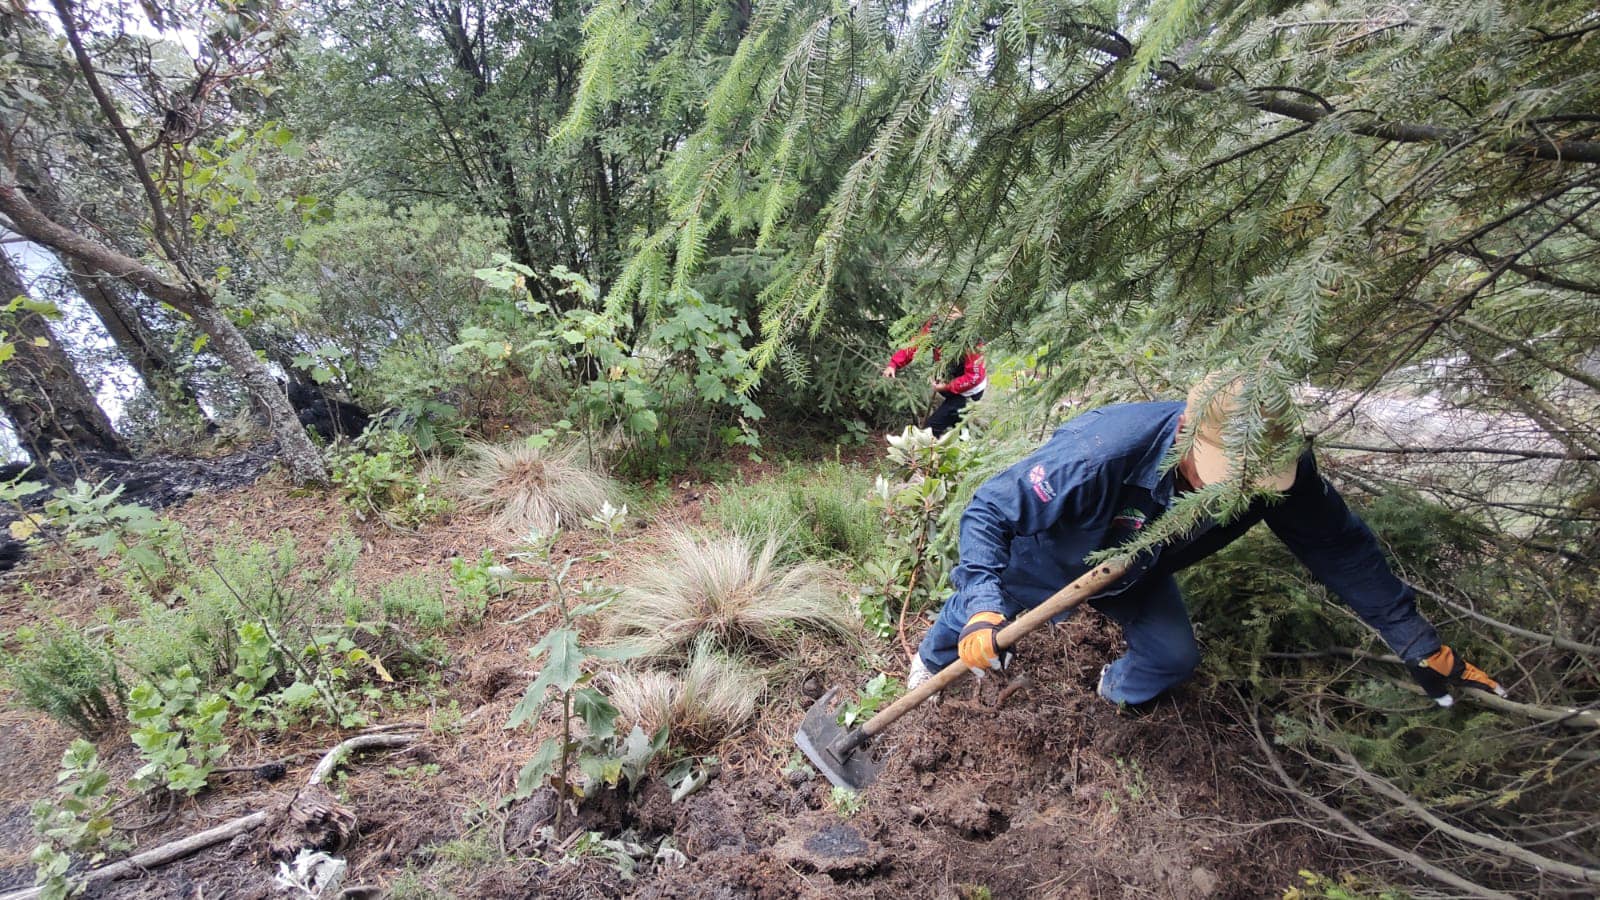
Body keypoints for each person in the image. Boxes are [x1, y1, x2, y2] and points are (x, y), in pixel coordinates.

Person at [907, 378, 1505, 710]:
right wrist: (985, 606)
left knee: (1172, 658)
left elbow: (1339, 547)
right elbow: (989, 509)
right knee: (980, 615)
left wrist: (1414, 639)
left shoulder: (1275, 465)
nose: (1232, 498)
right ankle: (929, 670)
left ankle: (1109, 693)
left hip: (1136, 568)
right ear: (1189, 440)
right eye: (1221, 480)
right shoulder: (1102, 452)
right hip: (1053, 555)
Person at [882, 309, 987, 437]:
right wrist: (894, 364)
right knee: (957, 422)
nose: (948, 317)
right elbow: (917, 345)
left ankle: (955, 444)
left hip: (967, 392)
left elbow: (973, 377)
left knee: (930, 430)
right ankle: (963, 438)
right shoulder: (936, 326)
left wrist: (947, 386)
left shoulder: (972, 339)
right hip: (950, 384)